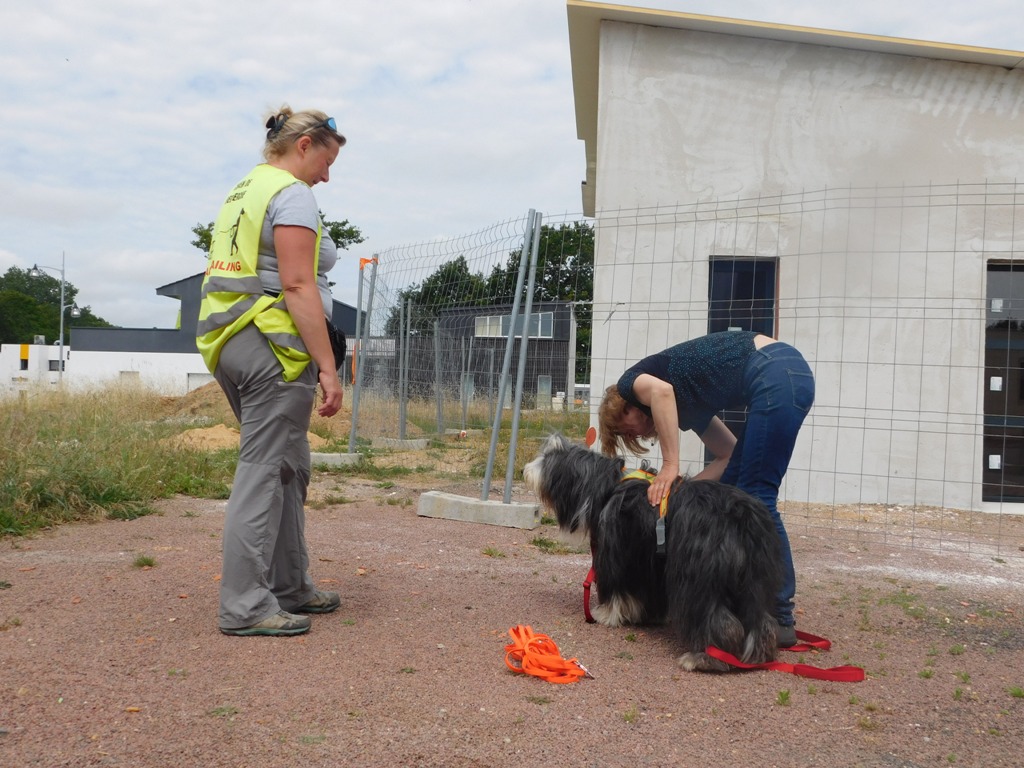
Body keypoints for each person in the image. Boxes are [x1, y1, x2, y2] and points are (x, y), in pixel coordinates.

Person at [196, 105, 347, 637]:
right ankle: (244, 606)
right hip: (273, 348)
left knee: (288, 467)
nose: (327, 177)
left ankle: (289, 584)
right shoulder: (292, 193)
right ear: (303, 145)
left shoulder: (245, 189)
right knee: (262, 472)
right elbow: (298, 284)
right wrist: (327, 369)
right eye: (326, 161)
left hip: (230, 340)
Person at [597, 330, 814, 646]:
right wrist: (680, 493)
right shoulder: (690, 408)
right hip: (783, 375)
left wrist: (670, 466)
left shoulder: (631, 383)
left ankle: (779, 615)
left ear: (626, 408)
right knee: (734, 494)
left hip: (775, 371)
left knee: (756, 499)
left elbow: (661, 393)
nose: (632, 436)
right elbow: (727, 455)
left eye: (623, 429)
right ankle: (740, 597)